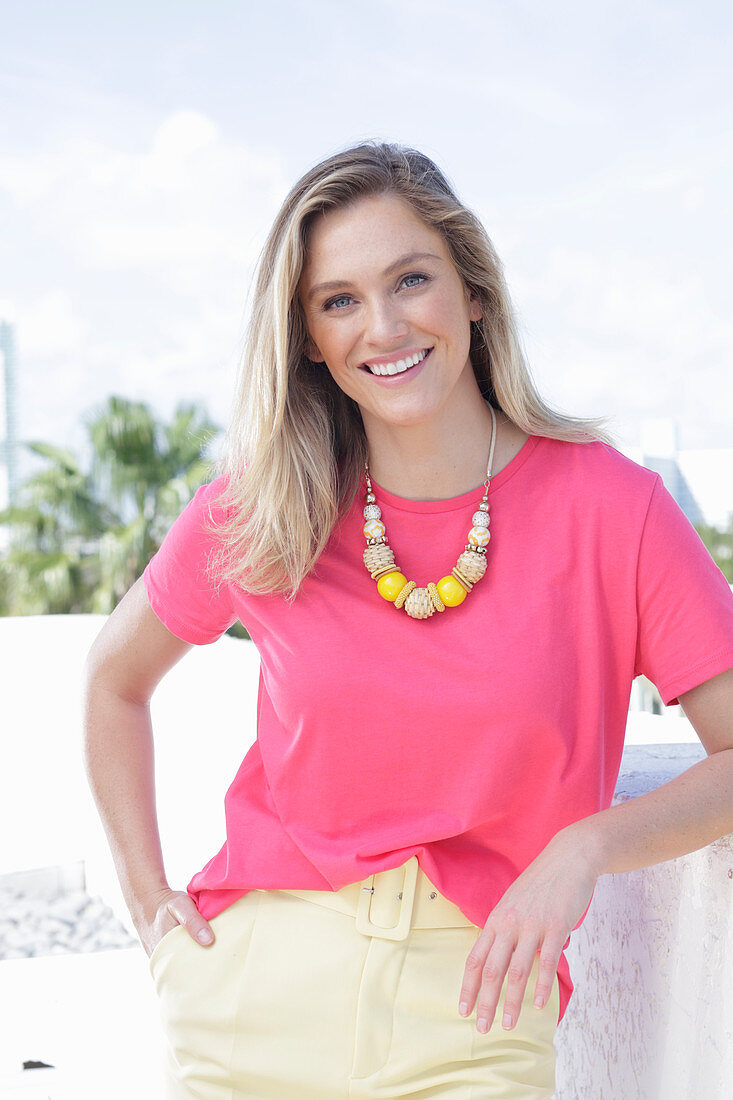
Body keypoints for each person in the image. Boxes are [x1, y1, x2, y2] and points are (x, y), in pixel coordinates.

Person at [83, 140, 733, 1099]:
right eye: (338, 300)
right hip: (250, 995)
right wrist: (149, 907)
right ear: (306, 335)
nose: (382, 326)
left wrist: (585, 845)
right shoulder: (263, 506)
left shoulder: (614, 508)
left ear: (471, 290)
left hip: (476, 1015)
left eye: (410, 279)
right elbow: (113, 681)